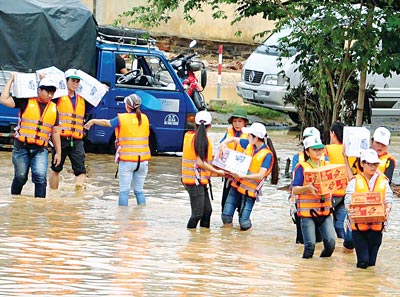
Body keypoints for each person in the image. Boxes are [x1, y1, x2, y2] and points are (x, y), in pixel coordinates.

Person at [0, 74, 61, 198]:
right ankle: (15, 202)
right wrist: (11, 80)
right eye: (47, 91)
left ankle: (40, 208)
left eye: (52, 92)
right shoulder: (25, 101)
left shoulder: (54, 108)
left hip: (41, 149)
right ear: (39, 90)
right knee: (21, 177)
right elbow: (4, 99)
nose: (50, 95)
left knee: (40, 178)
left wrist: (58, 152)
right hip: (21, 146)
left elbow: (55, 132)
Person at [84, 93, 150, 206]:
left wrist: (92, 121)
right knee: (139, 191)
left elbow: (107, 123)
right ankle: (141, 215)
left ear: (127, 106)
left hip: (127, 161)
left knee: (124, 192)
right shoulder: (144, 118)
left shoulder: (122, 118)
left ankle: (122, 218)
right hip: (143, 162)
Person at [219, 122, 279, 231]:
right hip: (236, 186)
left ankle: (246, 242)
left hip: (249, 192)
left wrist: (241, 175)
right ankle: (227, 240)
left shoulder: (267, 155)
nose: (247, 137)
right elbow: (232, 139)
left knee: (244, 223)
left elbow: (260, 175)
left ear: (256, 138)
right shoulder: (249, 144)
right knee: (226, 215)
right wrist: (224, 144)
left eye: (249, 135)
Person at [344, 149, 393, 269]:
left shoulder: (383, 181)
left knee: (371, 264)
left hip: (377, 227)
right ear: (362, 164)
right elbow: (348, 199)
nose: (373, 167)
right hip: (359, 228)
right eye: (369, 164)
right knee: (363, 262)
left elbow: (388, 198)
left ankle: (369, 286)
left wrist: (388, 209)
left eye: (375, 164)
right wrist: (349, 209)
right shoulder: (354, 181)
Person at [291, 135, 336, 258]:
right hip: (308, 213)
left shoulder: (327, 165)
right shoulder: (301, 168)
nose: (318, 152)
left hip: (325, 212)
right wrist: (307, 188)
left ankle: (322, 270)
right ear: (307, 151)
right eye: (314, 149)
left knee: (331, 243)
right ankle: (304, 273)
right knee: (310, 246)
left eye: (320, 149)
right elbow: (294, 190)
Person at [181, 111, 225, 229]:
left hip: (197, 180)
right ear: (210, 126)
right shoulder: (201, 139)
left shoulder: (189, 136)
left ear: (194, 124)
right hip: (194, 182)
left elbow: (203, 159)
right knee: (197, 214)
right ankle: (192, 239)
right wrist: (219, 172)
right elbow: (200, 162)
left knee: (207, 211)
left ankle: (202, 241)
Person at [49, 69, 87, 189]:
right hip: (60, 138)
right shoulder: (58, 97)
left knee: (80, 169)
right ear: (66, 81)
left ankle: (78, 197)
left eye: (77, 81)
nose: (75, 83)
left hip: (76, 140)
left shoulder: (82, 99)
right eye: (72, 81)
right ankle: (53, 195)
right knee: (56, 167)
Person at [290, 126, 324, 244]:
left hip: (320, 203)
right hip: (302, 203)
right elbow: (294, 180)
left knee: (319, 238)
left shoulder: (325, 159)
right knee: (302, 239)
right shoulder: (297, 158)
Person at [325, 122, 356, 239]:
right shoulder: (352, 152)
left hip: (331, 193)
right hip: (346, 193)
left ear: (333, 134)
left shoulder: (326, 149)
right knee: (340, 226)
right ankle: (344, 249)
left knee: (326, 224)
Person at [219, 107, 249, 210]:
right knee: (225, 204)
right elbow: (221, 144)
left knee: (241, 206)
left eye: (240, 121)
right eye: (235, 121)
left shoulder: (249, 135)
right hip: (229, 174)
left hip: (242, 176)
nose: (237, 124)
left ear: (245, 123)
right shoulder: (228, 133)